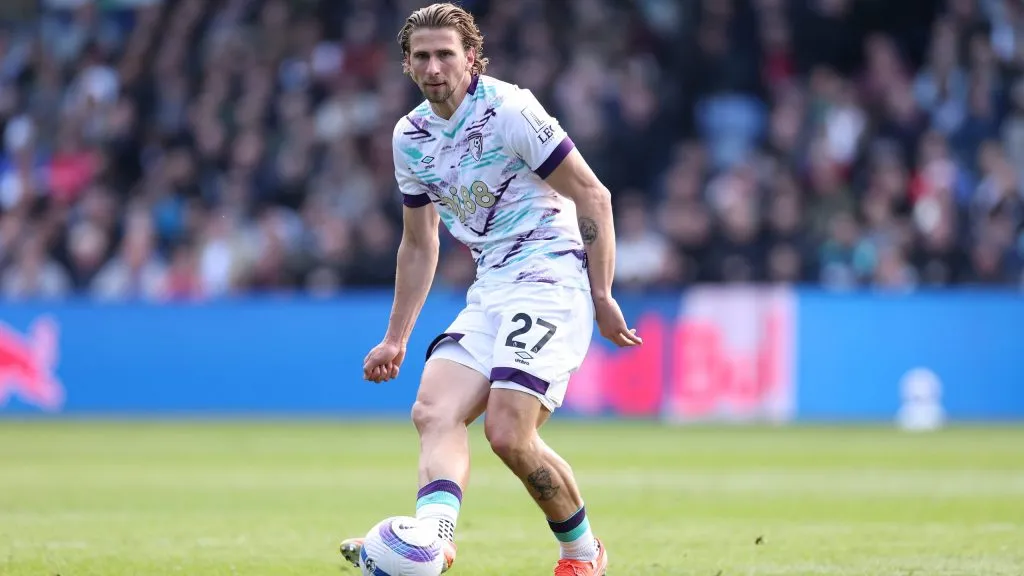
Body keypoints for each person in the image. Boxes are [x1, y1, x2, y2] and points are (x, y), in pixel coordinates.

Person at [340, 4, 641, 575]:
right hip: (494, 287)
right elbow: (419, 244)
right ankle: (433, 537)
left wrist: (601, 295)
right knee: (433, 410)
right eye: (422, 56)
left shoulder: (511, 110)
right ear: (406, 64)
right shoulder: (411, 137)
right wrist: (395, 338)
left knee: (508, 432)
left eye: (445, 54)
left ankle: (583, 555)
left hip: (551, 278)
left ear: (471, 58)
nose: (434, 67)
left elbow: (593, 196)